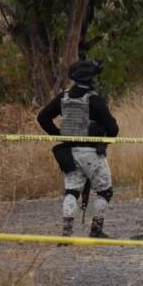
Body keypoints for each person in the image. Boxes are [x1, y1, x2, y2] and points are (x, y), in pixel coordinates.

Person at [36, 59, 119, 239]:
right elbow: (113, 129)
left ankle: (67, 232)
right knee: (104, 191)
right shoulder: (95, 100)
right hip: (92, 153)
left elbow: (42, 117)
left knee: (72, 191)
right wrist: (104, 140)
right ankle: (96, 230)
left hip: (69, 152)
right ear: (90, 79)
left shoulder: (63, 98)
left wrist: (59, 135)